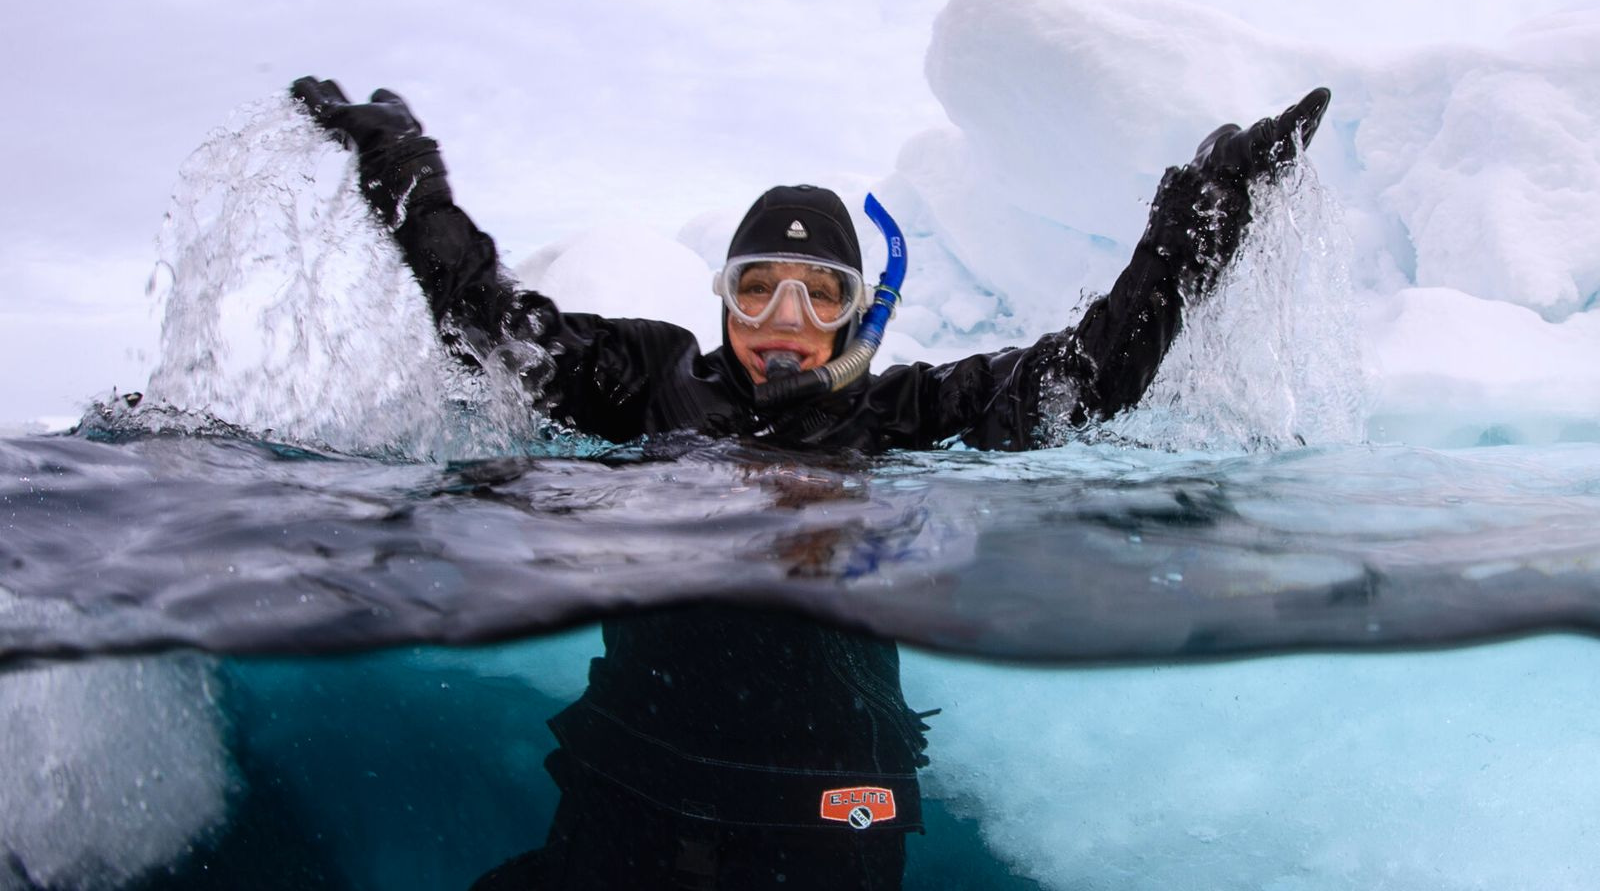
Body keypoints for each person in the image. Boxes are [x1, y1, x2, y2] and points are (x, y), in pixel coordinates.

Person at [290, 76, 1329, 889]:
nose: (784, 319)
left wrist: (1198, 218)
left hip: (828, 803)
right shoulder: (651, 380)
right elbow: (495, 327)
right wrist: (407, 176)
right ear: (723, 300)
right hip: (636, 774)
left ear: (856, 314)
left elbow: (1083, 379)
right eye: (758, 288)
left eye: (818, 294)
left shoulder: (905, 412)